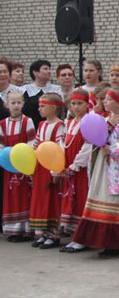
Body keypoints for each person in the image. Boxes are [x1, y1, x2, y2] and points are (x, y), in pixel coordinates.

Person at [72, 87, 119, 258]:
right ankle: (104, 241)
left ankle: (116, 244)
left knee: (115, 204)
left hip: (118, 169)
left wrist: (112, 149)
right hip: (103, 167)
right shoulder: (104, 119)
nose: (105, 102)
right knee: (101, 199)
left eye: (109, 100)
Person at [29, 93, 66, 249]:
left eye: (42, 106)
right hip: (40, 168)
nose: (39, 109)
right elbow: (36, 144)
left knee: (52, 200)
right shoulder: (42, 125)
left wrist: (56, 169)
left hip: (51, 168)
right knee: (40, 199)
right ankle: (43, 233)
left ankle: (53, 235)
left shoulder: (59, 125)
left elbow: (60, 148)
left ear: (53, 107)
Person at [58, 89, 92, 252]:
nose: (76, 107)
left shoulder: (88, 122)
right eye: (73, 104)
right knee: (70, 200)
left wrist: (76, 165)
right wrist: (59, 164)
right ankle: (73, 237)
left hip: (81, 170)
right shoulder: (69, 122)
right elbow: (62, 143)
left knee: (81, 200)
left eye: (80, 103)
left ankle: (82, 238)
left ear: (87, 104)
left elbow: (88, 147)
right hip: (68, 167)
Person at [0, 90, 35, 241]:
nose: (16, 106)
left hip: (24, 165)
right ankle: (13, 230)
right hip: (9, 167)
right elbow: (1, 145)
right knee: (11, 196)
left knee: (24, 196)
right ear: (6, 105)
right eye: (12, 103)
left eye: (19, 102)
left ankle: (25, 229)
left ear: (23, 104)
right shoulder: (2, 124)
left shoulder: (28, 121)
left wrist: (25, 161)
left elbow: (32, 142)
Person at [22, 60, 61, 127]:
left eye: (49, 69)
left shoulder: (57, 89)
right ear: (35, 72)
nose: (49, 71)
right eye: (45, 69)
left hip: (52, 127)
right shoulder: (24, 90)